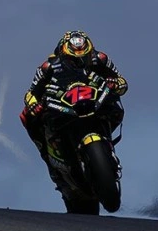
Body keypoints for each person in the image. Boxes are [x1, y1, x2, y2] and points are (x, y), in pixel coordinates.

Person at [18, 30, 128, 204]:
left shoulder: (100, 58)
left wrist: (116, 84)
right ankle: (52, 160)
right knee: (28, 117)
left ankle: (107, 152)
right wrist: (33, 105)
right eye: (74, 59)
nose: (79, 61)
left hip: (94, 102)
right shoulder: (48, 67)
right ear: (64, 54)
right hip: (63, 107)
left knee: (114, 107)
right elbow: (31, 93)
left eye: (84, 57)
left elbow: (121, 81)